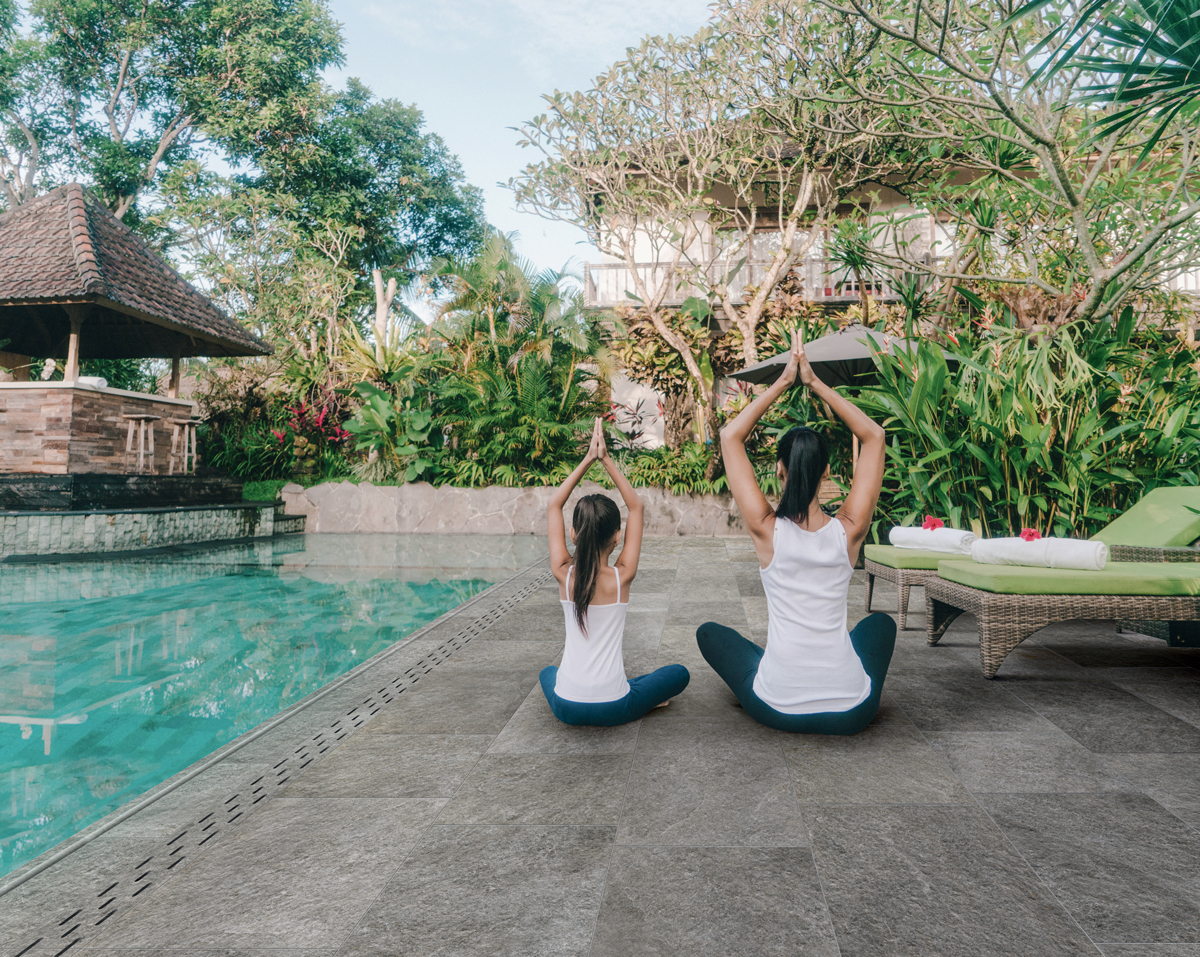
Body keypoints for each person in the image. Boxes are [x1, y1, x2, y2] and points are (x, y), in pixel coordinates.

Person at [698, 330, 896, 734]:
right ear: (827, 470)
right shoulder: (849, 531)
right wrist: (815, 383)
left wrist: (783, 381)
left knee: (710, 635)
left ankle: (773, 666)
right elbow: (874, 437)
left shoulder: (766, 530)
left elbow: (729, 436)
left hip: (778, 707)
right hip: (852, 713)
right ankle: (813, 673)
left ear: (779, 470)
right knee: (880, 626)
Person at [540, 417, 690, 726]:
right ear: (617, 537)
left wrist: (588, 459)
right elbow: (637, 508)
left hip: (567, 707)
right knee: (678, 674)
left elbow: (554, 505)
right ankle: (643, 697)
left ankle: (637, 693)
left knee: (547, 673)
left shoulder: (563, 572)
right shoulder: (623, 577)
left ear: (572, 534)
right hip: (615, 707)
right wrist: (606, 459)